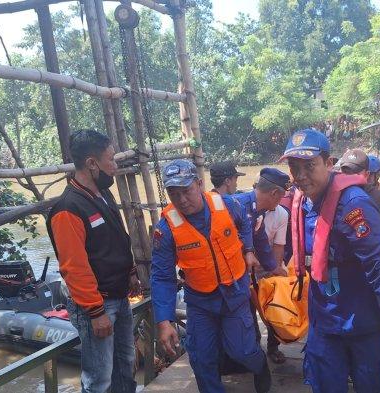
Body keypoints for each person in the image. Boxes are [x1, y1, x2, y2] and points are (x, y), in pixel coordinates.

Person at [281, 128, 380, 392]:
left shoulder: (354, 205)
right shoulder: (301, 203)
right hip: (325, 322)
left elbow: (379, 268)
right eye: (295, 168)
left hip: (362, 322)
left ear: (329, 164)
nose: (302, 176)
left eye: (310, 166)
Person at [151, 159, 272, 393]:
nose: (182, 200)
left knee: (243, 351)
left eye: (186, 191)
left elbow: (245, 226)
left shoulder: (228, 205)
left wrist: (248, 250)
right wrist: (163, 321)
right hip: (200, 302)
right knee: (201, 357)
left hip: (235, 293)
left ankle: (260, 365)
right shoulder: (165, 229)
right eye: (174, 194)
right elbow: (161, 276)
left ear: (199, 183)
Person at [46, 129, 139, 393]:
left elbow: (118, 236)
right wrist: (96, 313)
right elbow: (74, 267)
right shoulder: (68, 209)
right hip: (97, 304)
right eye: (110, 160)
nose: (115, 166)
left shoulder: (102, 194)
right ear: (91, 163)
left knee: (125, 366)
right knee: (99, 379)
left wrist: (130, 270)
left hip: (119, 296)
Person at [232, 168, 292, 364]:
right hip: (238, 273)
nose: (280, 201)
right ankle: (254, 353)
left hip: (261, 268)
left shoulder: (259, 212)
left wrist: (274, 270)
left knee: (273, 307)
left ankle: (269, 349)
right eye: (281, 197)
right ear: (274, 194)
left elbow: (264, 243)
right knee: (247, 315)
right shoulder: (239, 207)